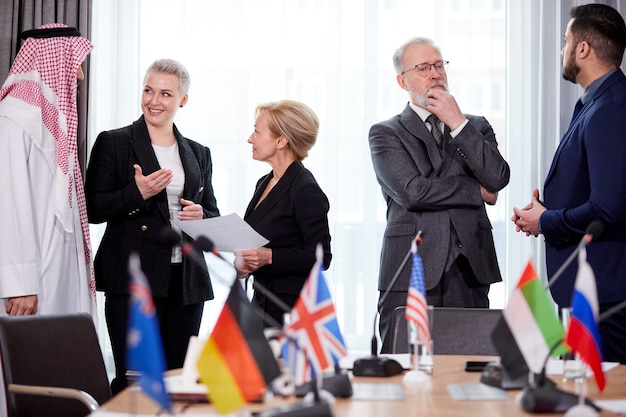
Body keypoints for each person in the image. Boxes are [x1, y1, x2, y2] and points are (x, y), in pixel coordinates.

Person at [85, 58, 220, 394]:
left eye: (165, 94)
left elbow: (213, 213)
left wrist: (201, 215)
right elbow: (91, 208)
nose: (154, 101)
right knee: (135, 384)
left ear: (182, 100)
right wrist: (138, 193)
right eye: (148, 90)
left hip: (186, 282)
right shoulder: (114, 142)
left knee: (178, 384)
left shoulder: (199, 153)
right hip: (133, 281)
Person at [369, 37, 510, 353]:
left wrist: (457, 123)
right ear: (402, 81)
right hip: (412, 266)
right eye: (423, 67)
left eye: (438, 65)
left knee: (468, 370)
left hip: (470, 267)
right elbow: (413, 191)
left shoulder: (475, 126)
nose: (434, 74)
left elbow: (498, 177)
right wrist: (475, 189)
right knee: (404, 371)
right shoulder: (386, 132)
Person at [512, 4, 626, 364]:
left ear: (583, 49)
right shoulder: (596, 103)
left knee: (603, 397)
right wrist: (546, 210)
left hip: (608, 292)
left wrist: (545, 221)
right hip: (598, 290)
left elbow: (607, 207)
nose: (562, 50)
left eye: (566, 41)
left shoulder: (610, 108)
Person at [0, 23, 96, 318]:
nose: (79, 74)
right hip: (32, 280)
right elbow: (9, 205)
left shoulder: (53, 124)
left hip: (59, 265)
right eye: (75, 64)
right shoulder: (14, 120)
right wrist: (21, 285)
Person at [234, 100, 332, 327]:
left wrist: (269, 257)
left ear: (281, 140)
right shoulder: (264, 182)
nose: (250, 139)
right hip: (261, 300)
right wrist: (246, 264)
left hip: (291, 309)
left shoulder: (305, 188)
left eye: (257, 132)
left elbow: (321, 257)